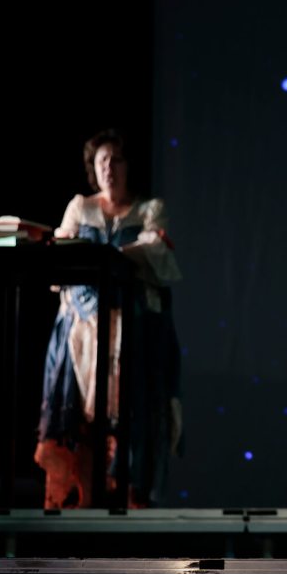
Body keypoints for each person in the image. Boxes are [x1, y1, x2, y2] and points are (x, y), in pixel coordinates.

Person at [34, 128, 183, 509]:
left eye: (116, 160)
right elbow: (61, 256)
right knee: (81, 416)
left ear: (128, 165)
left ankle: (125, 501)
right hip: (84, 329)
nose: (109, 168)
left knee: (131, 410)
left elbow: (157, 256)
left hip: (133, 329)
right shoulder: (80, 207)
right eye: (102, 161)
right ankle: (81, 501)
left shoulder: (149, 210)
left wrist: (117, 255)